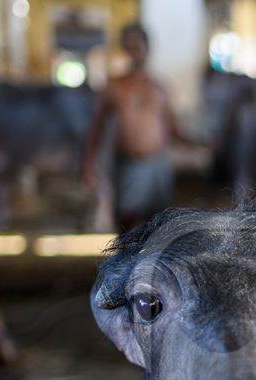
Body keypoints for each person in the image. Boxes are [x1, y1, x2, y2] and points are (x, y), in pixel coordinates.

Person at [83, 23, 188, 233]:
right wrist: (89, 164)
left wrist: (201, 144)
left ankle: (151, 265)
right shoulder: (113, 87)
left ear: (148, 49)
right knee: (127, 222)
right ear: (124, 49)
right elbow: (96, 129)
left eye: (139, 44)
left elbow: (173, 129)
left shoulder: (159, 87)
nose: (136, 50)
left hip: (157, 164)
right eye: (130, 45)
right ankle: (126, 265)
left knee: (158, 224)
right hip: (127, 164)